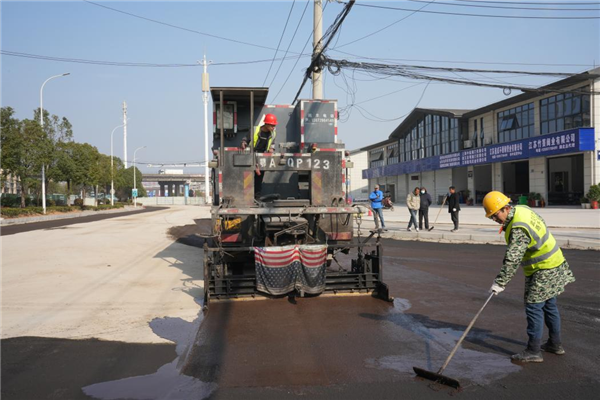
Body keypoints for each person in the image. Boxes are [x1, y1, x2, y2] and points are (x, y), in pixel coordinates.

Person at [484, 191, 575, 363]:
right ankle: (555, 344)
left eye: (495, 216)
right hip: (554, 262)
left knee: (534, 307)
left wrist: (500, 282)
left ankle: (533, 351)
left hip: (543, 268)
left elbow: (513, 258)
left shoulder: (518, 228)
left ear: (504, 208)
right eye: (491, 218)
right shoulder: (522, 209)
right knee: (549, 305)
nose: (495, 220)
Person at [253, 114, 277, 197]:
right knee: (249, 175)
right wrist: (244, 142)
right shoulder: (255, 130)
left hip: (262, 156)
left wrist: (271, 149)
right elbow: (246, 139)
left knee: (259, 176)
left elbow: (272, 143)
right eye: (272, 125)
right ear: (266, 124)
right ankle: (249, 195)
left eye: (274, 125)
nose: (273, 127)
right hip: (252, 155)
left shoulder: (273, 133)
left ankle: (257, 195)